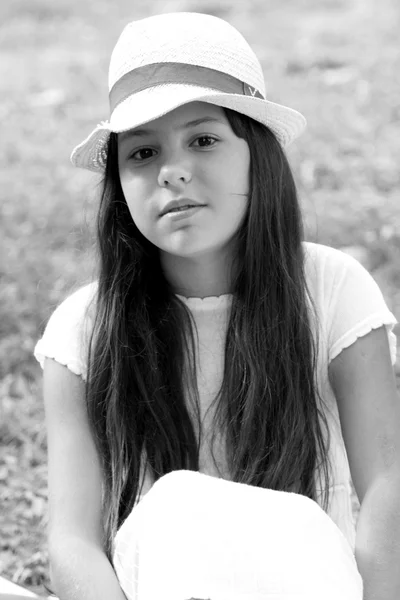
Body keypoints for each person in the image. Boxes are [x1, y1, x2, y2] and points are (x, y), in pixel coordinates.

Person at [33, 11, 400, 600]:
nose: (173, 172)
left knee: (187, 503)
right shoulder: (83, 329)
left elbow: (387, 487)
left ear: (257, 152)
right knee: (172, 508)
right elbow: (73, 542)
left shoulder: (334, 289)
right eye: (142, 153)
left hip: (303, 584)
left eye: (203, 140)